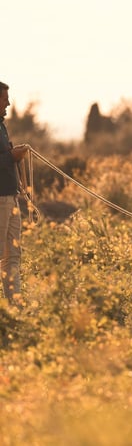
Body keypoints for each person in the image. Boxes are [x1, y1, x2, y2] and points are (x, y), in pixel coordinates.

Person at [0, 81, 27, 307]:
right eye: (4, 98)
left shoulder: (1, 126)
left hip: (11, 197)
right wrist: (11, 156)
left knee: (13, 256)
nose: (8, 103)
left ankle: (14, 306)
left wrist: (12, 154)